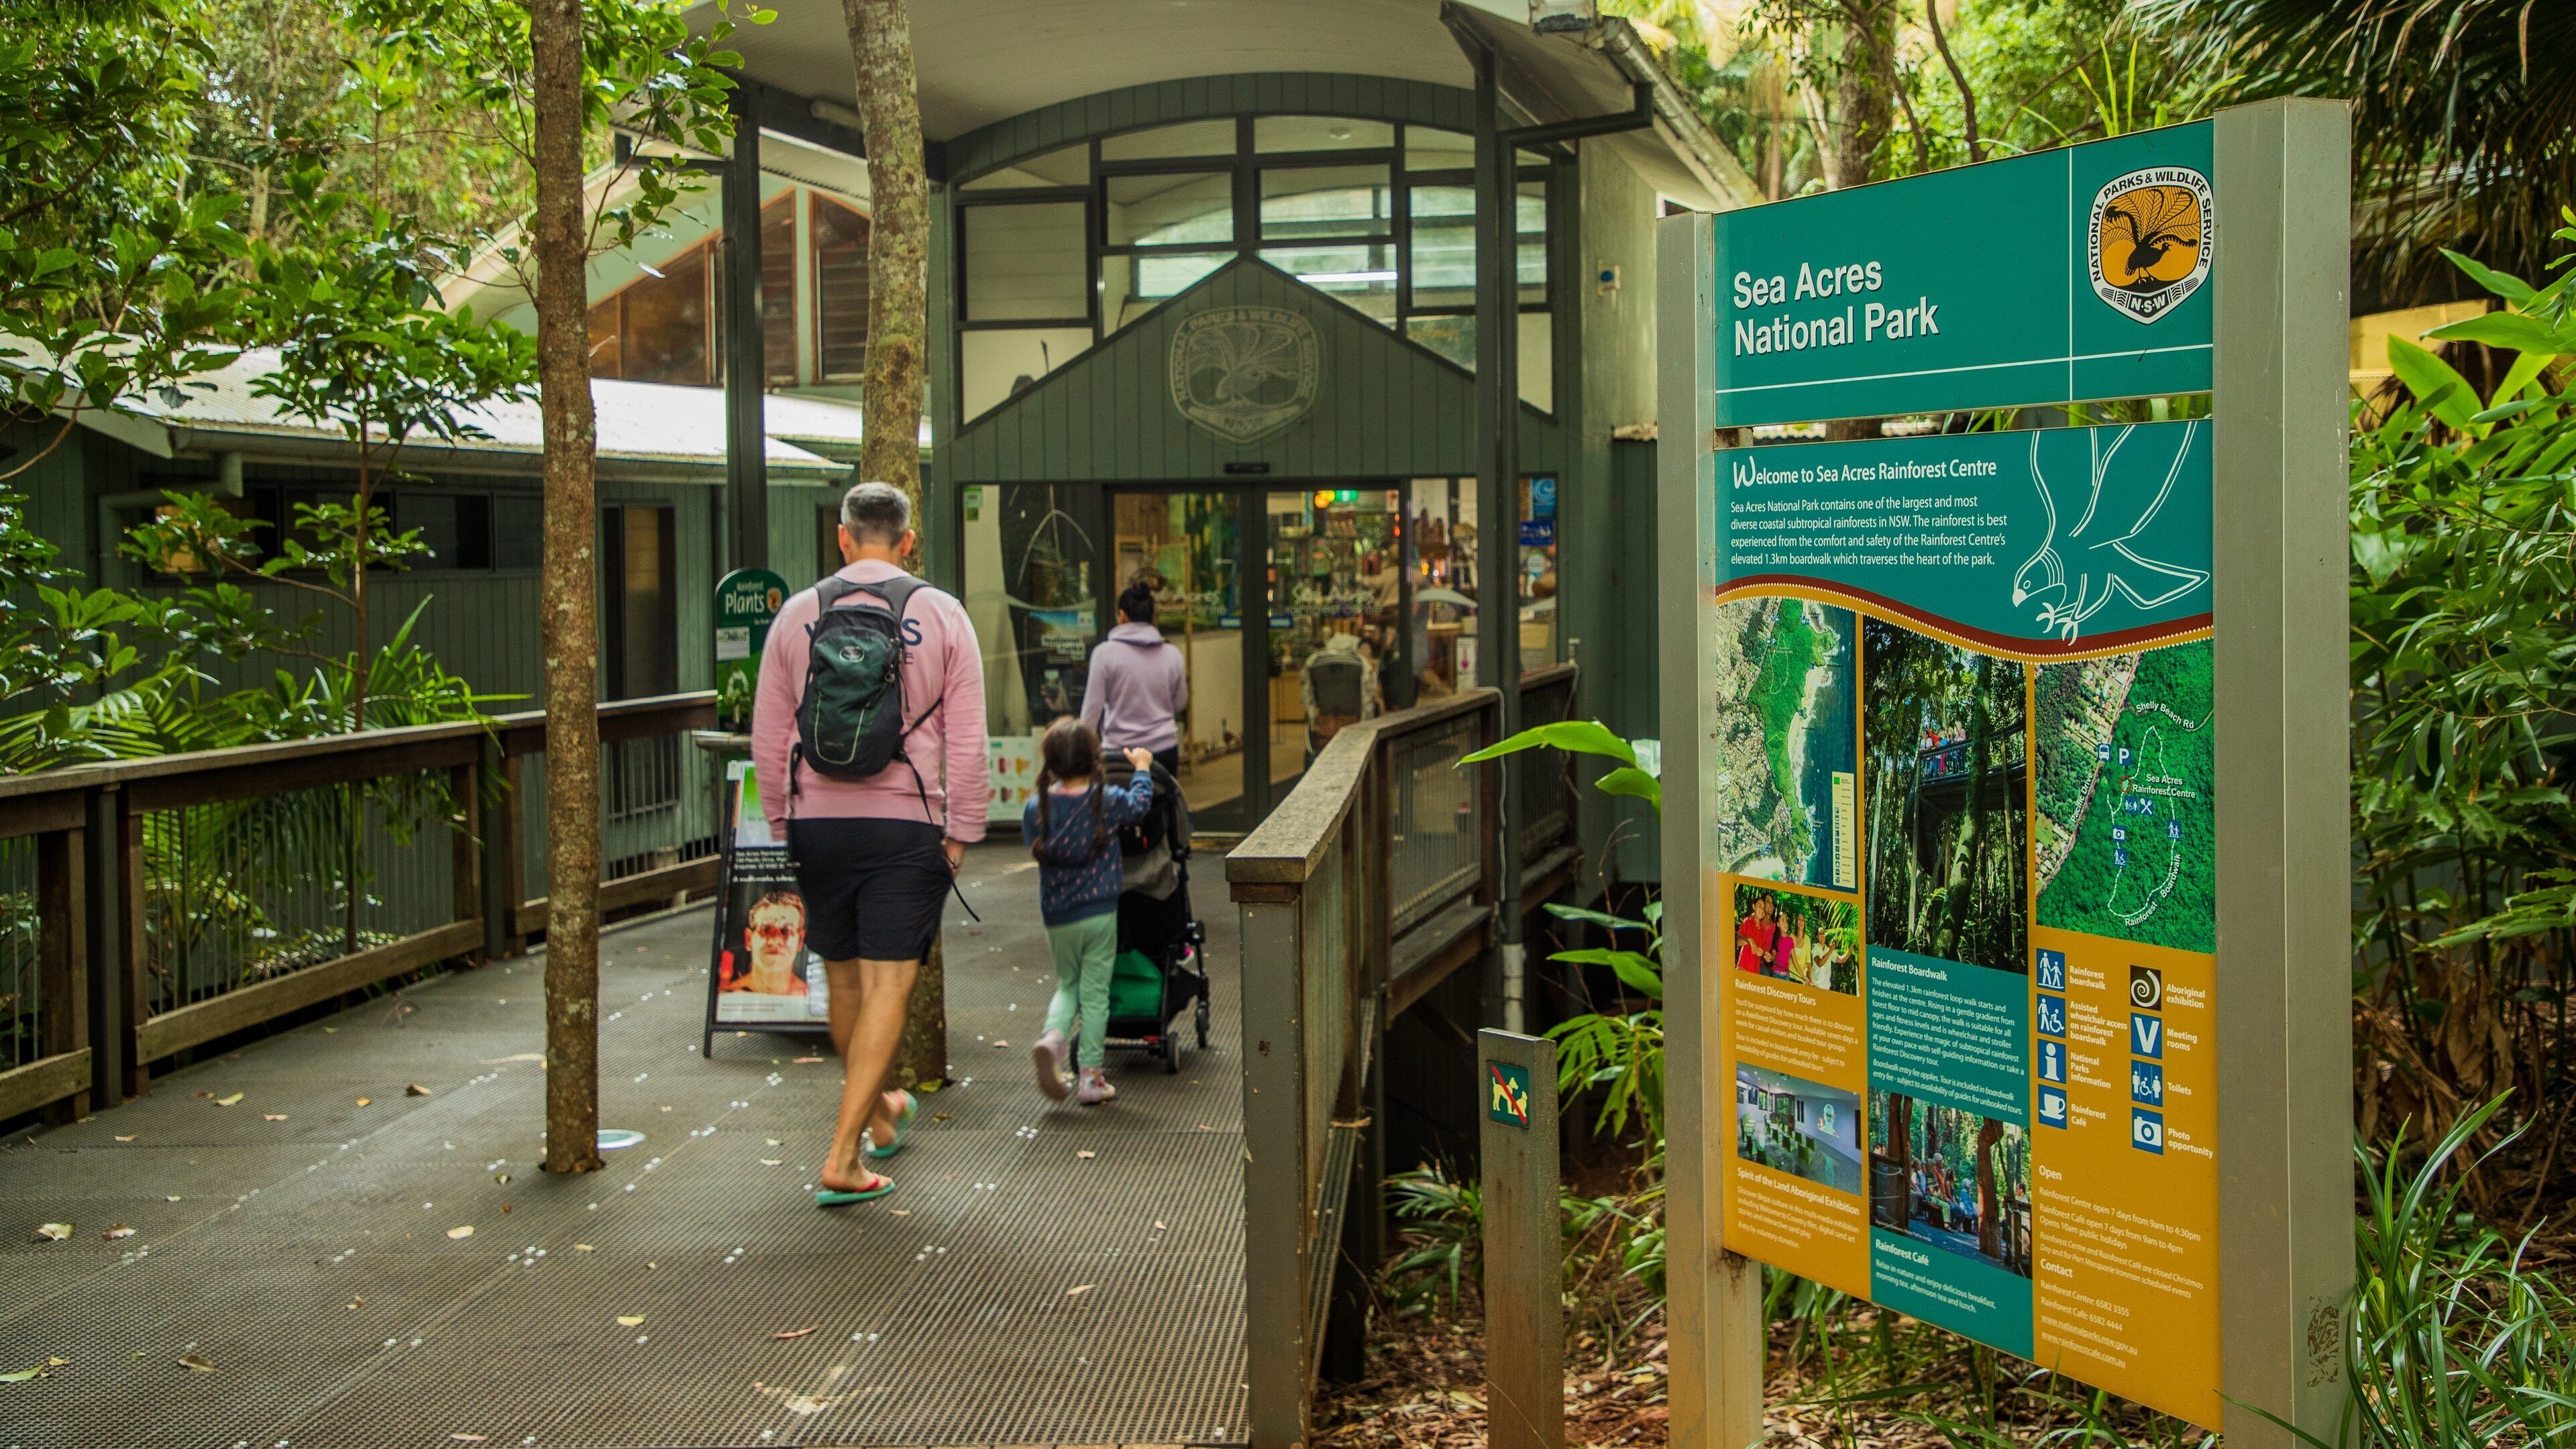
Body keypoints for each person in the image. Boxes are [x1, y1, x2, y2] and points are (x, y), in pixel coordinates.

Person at [753, 480, 988, 1207]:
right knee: (889, 985)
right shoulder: (942, 613)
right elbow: (967, 739)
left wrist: (783, 822)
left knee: (845, 979)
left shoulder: (797, 614)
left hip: (816, 824)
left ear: (844, 537)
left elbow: (770, 733)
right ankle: (841, 1157)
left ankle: (882, 1111)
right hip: (905, 823)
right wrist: (962, 830)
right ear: (909, 541)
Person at [1023, 717, 1157, 1106]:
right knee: (1095, 995)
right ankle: (1091, 1079)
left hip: (1057, 915)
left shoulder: (1036, 808)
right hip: (1099, 913)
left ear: (1050, 763)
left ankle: (1053, 1037)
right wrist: (1143, 767)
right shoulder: (1107, 801)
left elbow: (1034, 843)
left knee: (1068, 984)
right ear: (1094, 759)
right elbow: (1140, 807)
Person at [1081, 578, 1189, 778]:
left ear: (1122, 616)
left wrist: (1082, 754)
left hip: (1119, 754)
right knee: (1161, 798)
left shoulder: (1104, 654)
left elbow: (1091, 712)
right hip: (1164, 751)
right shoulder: (1172, 654)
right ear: (1152, 617)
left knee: (1119, 799)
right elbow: (1180, 703)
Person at [727, 891, 809, 997]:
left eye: (786, 930)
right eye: (765, 929)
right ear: (749, 939)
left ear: (800, 940)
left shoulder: (811, 999)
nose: (775, 940)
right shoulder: (727, 999)